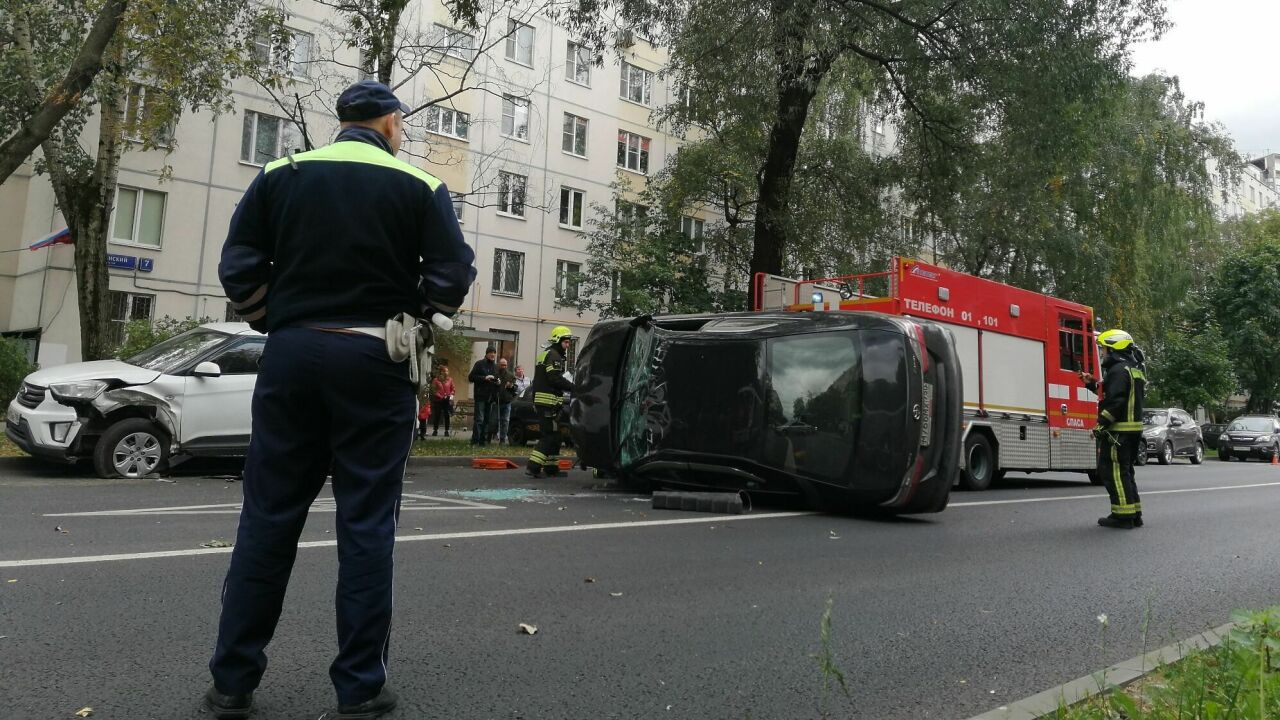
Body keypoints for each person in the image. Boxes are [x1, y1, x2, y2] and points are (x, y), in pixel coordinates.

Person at [207, 79, 476, 720]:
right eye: (401, 124)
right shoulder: (417, 185)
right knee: (365, 525)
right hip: (372, 358)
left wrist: (278, 315)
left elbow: (239, 263)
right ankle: (358, 687)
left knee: (268, 519)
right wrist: (415, 311)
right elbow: (451, 275)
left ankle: (233, 682)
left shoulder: (281, 172)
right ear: (388, 123)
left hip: (293, 354)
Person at [1080, 328, 1147, 530]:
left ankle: (1122, 517)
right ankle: (1134, 514)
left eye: (1103, 348)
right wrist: (1092, 384)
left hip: (1119, 431)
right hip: (1132, 431)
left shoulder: (1117, 371)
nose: (1101, 352)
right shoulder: (1132, 369)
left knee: (1114, 473)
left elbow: (1115, 402)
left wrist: (1101, 424)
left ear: (1113, 348)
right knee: (1126, 472)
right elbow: (1114, 392)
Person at [526, 326, 576, 478]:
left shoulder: (547, 354)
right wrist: (573, 387)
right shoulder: (554, 355)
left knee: (556, 436)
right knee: (548, 435)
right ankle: (533, 467)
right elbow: (554, 378)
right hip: (548, 402)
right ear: (558, 340)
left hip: (545, 402)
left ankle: (551, 468)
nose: (568, 345)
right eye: (566, 342)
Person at [468, 346, 500, 445]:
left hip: (490, 397)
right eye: (491, 352)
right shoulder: (479, 364)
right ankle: (475, 440)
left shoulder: (495, 366)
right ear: (486, 353)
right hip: (480, 395)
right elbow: (471, 377)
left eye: (494, 353)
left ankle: (483, 441)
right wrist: (484, 378)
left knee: (486, 420)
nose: (493, 354)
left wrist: (498, 382)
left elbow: (496, 379)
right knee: (479, 419)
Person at [495, 357, 517, 444]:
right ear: (499, 365)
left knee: (505, 421)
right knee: (495, 420)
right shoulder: (495, 374)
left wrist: (511, 386)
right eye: (502, 365)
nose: (503, 366)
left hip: (507, 401)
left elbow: (515, 388)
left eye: (505, 365)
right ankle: (490, 436)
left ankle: (503, 439)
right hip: (496, 400)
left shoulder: (511, 375)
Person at [431, 366, 455, 436]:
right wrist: (440, 396)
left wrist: (450, 395)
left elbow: (453, 389)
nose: (446, 373)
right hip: (438, 400)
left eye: (447, 371)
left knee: (447, 415)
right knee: (437, 415)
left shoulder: (450, 380)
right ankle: (435, 430)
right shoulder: (436, 380)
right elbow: (433, 390)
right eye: (444, 371)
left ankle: (446, 431)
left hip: (447, 400)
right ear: (441, 372)